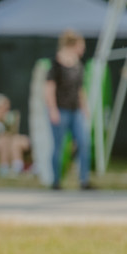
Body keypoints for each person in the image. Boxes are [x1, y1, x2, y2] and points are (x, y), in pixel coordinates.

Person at [45, 29, 92, 190]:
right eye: (81, 46)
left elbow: (80, 89)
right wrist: (52, 110)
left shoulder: (78, 65)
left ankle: (84, 180)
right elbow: (49, 88)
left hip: (75, 110)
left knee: (84, 143)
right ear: (74, 45)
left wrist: (85, 108)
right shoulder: (56, 64)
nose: (83, 49)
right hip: (61, 110)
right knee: (58, 146)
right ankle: (56, 181)